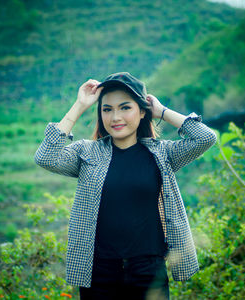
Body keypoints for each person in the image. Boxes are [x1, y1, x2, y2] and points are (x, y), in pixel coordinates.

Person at [34, 72, 217, 300]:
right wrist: (80, 105)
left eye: (125, 107)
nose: (115, 117)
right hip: (98, 272)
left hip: (148, 270)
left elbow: (206, 137)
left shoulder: (162, 154)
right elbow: (45, 157)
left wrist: (161, 112)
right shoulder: (87, 153)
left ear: (142, 112)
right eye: (107, 109)